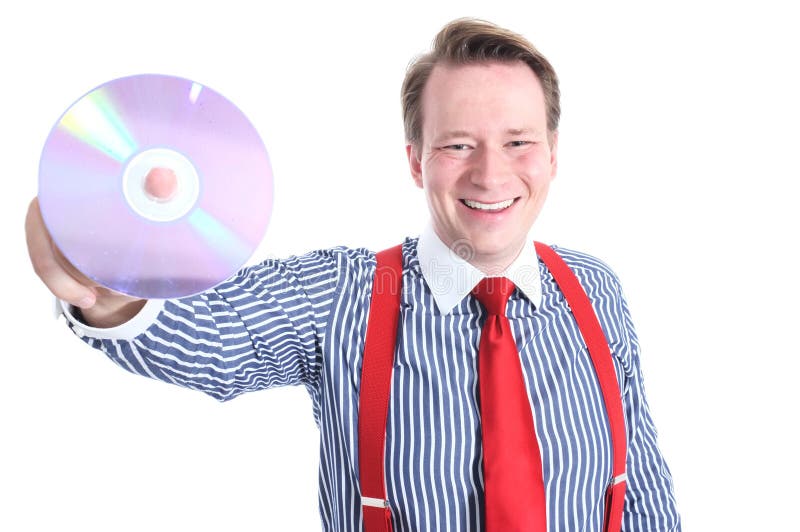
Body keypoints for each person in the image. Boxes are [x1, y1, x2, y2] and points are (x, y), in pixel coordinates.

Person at [25, 17, 681, 532]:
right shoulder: (345, 295)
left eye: (517, 142)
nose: (490, 174)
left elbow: (641, 487)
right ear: (417, 162)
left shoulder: (596, 290)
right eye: (457, 144)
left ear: (552, 155)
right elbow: (215, 334)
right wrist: (110, 298)